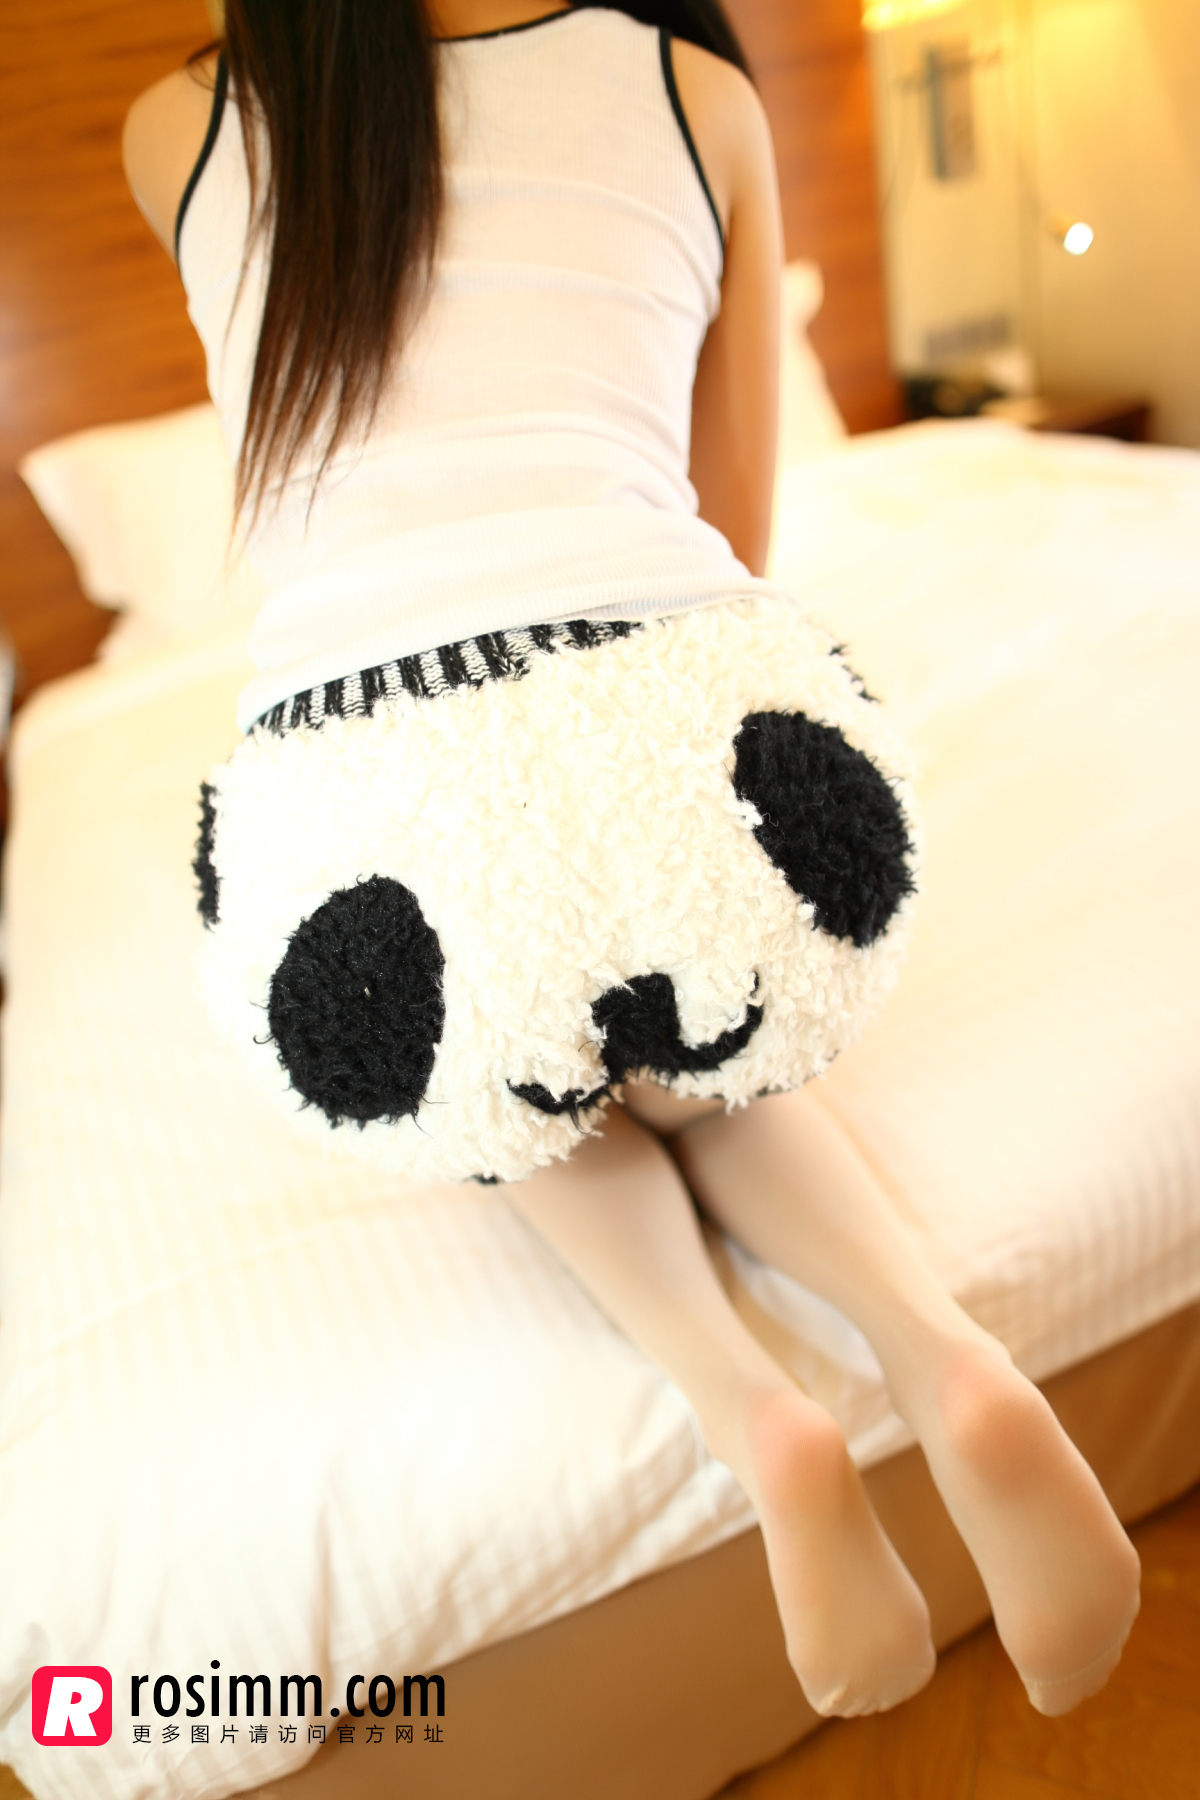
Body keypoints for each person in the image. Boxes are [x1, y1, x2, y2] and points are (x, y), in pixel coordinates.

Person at [122, 0, 1141, 1722]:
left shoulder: (182, 129)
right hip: (669, 688)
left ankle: (756, 1416)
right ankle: (945, 1354)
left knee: (515, 1071)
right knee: (692, 1032)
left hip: (372, 770)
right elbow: (731, 525)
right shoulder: (697, 88)